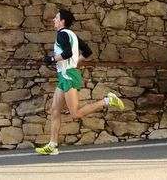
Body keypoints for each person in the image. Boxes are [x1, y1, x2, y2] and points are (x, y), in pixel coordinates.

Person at [35, 9, 125, 155]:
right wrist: (74, 62)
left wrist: (51, 59)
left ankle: (108, 100)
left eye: (56, 18)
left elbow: (67, 53)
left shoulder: (62, 34)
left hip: (68, 76)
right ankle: (52, 145)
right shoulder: (72, 35)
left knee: (75, 113)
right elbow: (88, 52)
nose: (53, 20)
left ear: (62, 21)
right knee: (54, 110)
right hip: (65, 75)